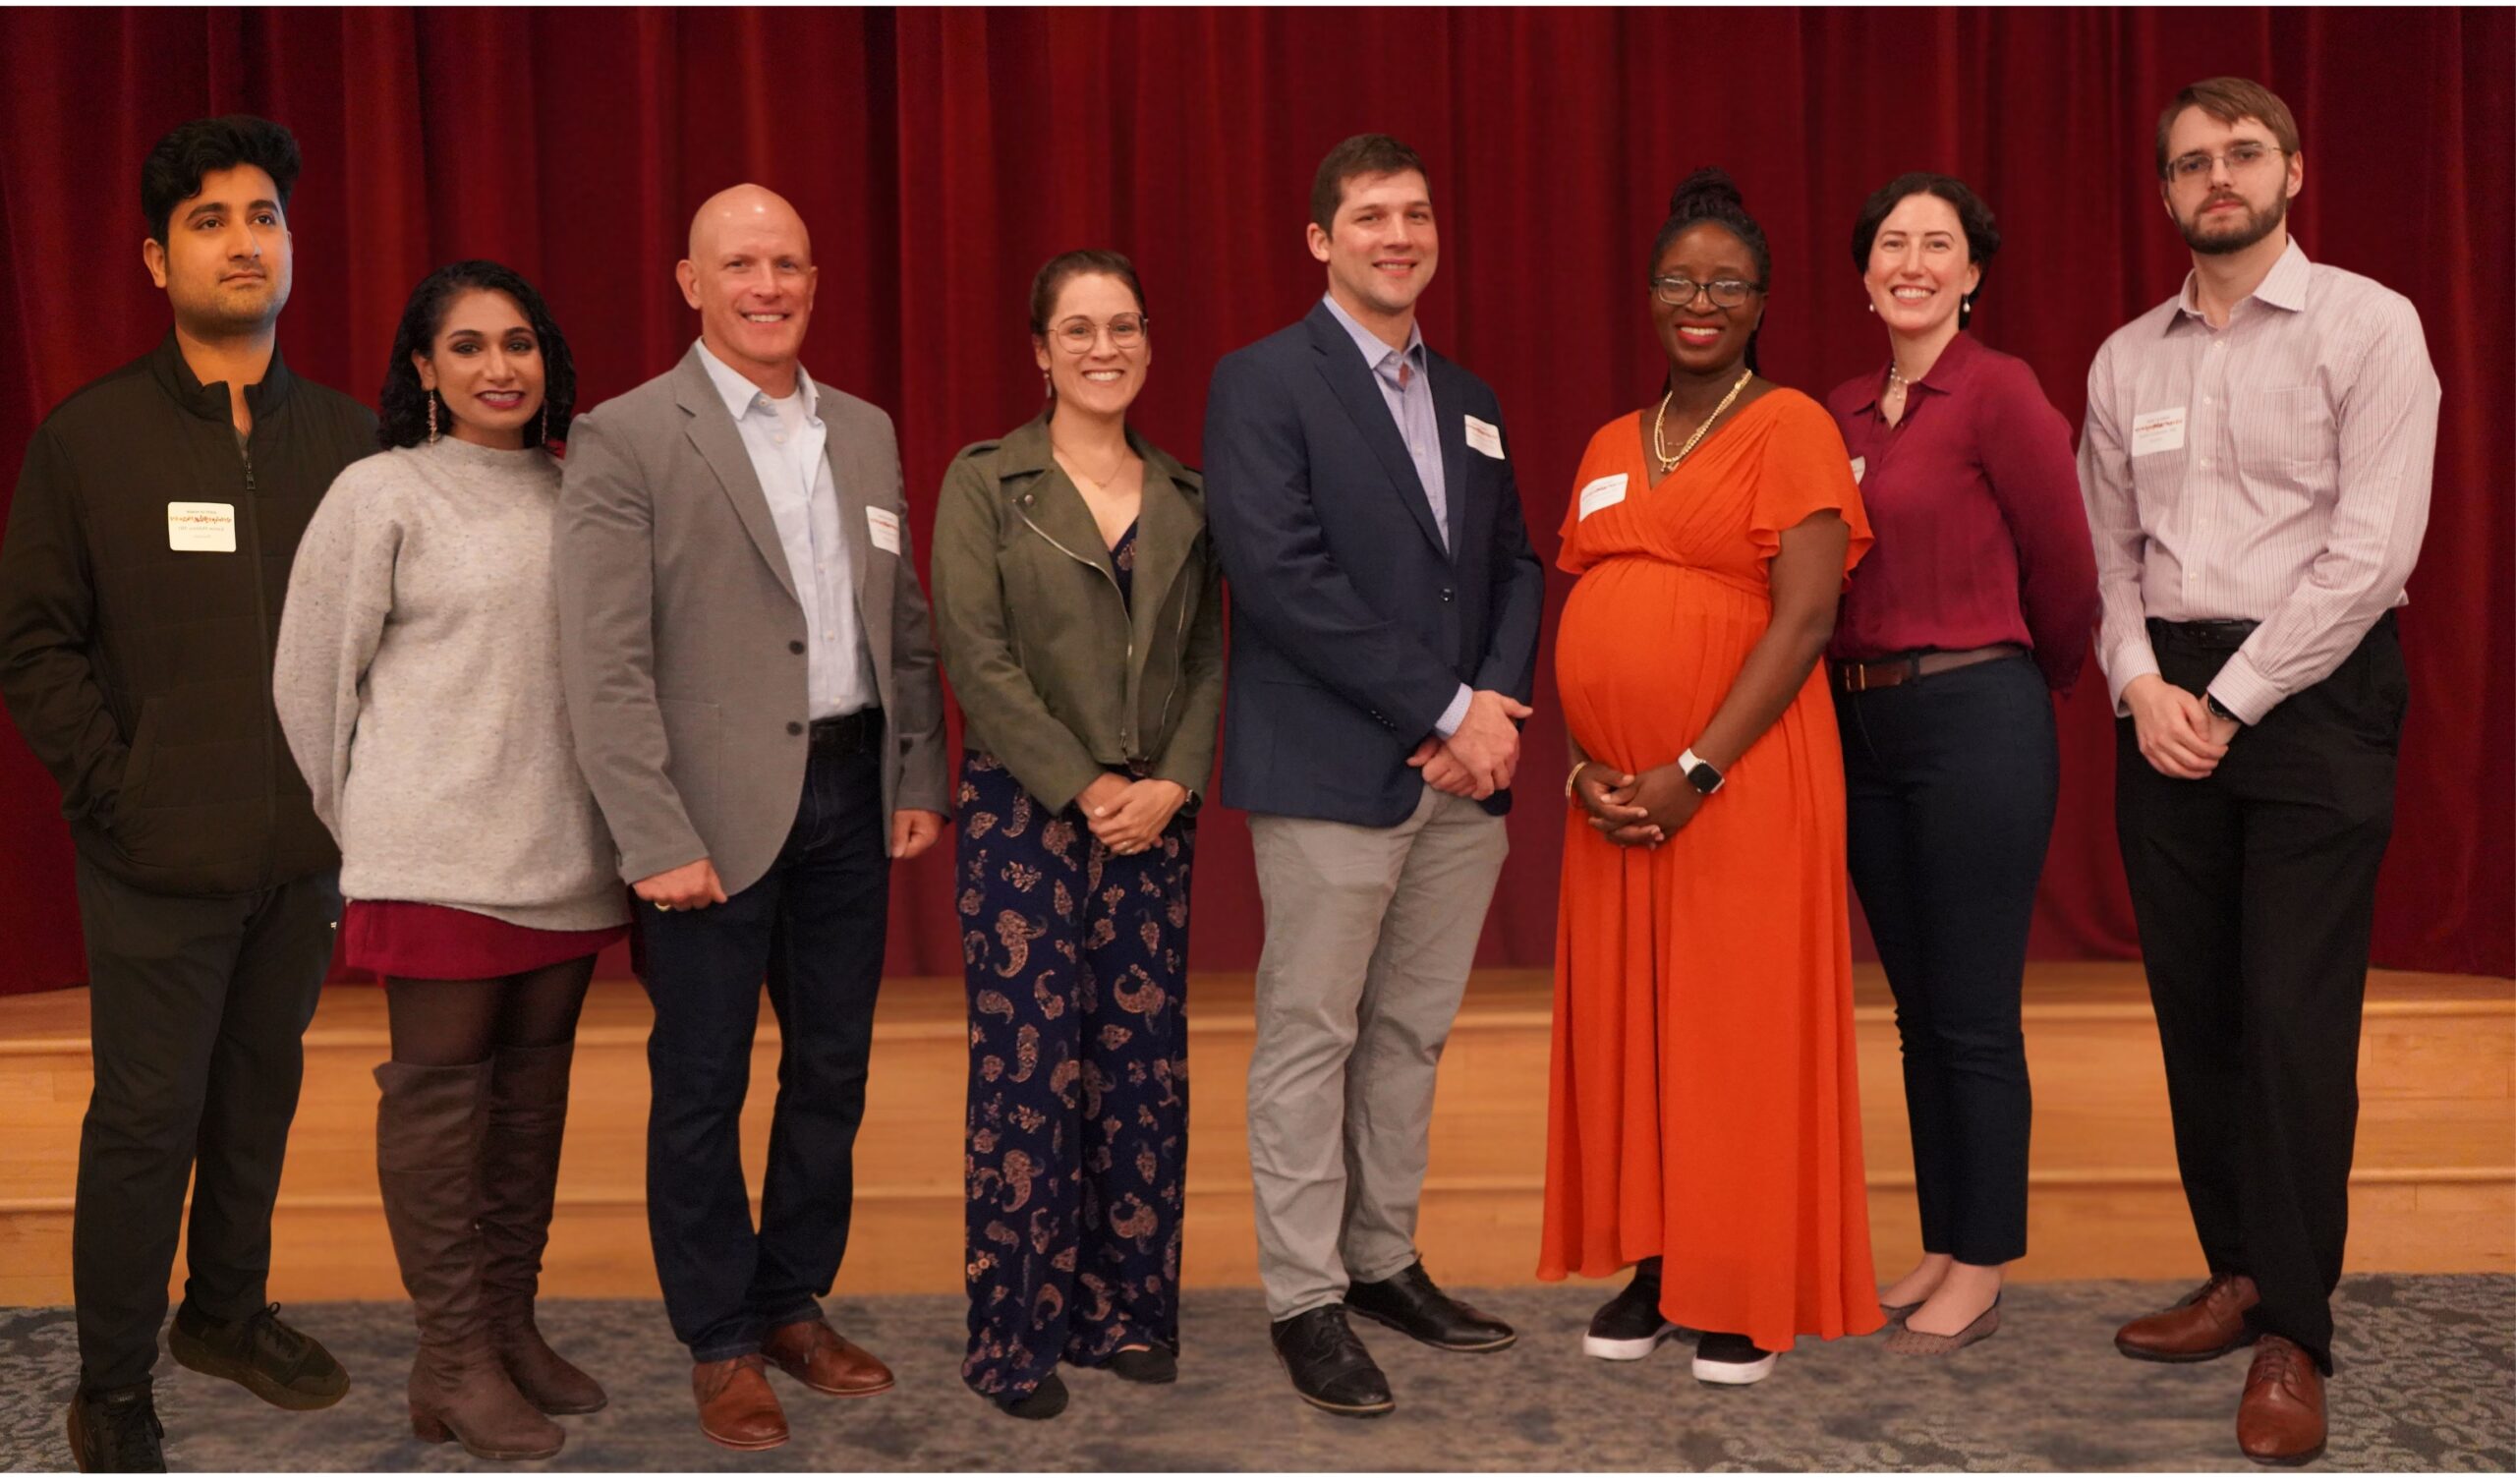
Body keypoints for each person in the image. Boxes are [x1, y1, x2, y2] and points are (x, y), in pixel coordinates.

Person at [0, 115, 372, 1471]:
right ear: (158, 260)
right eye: (209, 220)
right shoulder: (88, 438)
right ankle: (110, 1381)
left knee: (257, 1099)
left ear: (291, 244)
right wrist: (118, 787)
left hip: (302, 858)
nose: (241, 239)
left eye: (262, 214)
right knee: (145, 1122)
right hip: (152, 855)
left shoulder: (349, 439)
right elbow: (32, 641)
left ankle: (225, 1314)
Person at [554, 184, 951, 1452]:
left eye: (787, 262)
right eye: (740, 265)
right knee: (703, 1081)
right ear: (691, 282)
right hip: (704, 815)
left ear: (815, 278)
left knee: (832, 1067)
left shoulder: (871, 431)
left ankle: (790, 1301)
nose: (765, 285)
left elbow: (900, 620)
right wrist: (650, 830)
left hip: (849, 786)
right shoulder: (626, 435)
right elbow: (601, 660)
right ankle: (719, 1339)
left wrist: (914, 773)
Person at [2081, 77, 2436, 1466]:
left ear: (2291, 168)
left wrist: (2226, 698)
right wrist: (2136, 683)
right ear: (2166, 193)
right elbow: (2108, 554)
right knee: (2202, 1005)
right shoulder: (2126, 359)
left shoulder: (2370, 324)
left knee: (2291, 1015)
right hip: (2165, 696)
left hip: (2316, 695)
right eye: (2189, 165)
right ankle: (2235, 1267)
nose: (2214, 180)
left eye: (2239, 155)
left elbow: (2375, 552)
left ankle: (2295, 1326)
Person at [1202, 133, 1544, 1419]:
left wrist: (1494, 712)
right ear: (1319, 239)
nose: (1395, 235)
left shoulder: (1470, 393)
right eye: (1368, 216)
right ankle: (1304, 1296)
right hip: (1336, 769)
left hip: (1462, 781)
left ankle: (1383, 1257)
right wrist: (1449, 705)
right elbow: (1281, 578)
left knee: (1409, 1031)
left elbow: (1514, 564)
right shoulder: (1261, 381)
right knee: (1312, 1032)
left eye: (1413, 213)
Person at [272, 260, 624, 1460]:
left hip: (568, 854)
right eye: (466, 346)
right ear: (423, 368)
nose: (498, 368)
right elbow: (308, 683)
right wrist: (373, 827)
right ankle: (453, 1359)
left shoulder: (585, 493)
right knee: (440, 1108)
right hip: (434, 860)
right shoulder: (382, 493)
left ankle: (507, 1330)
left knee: (529, 1107)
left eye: (518, 343)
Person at [1538, 168, 1883, 1388]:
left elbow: (1802, 620)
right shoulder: (1605, 444)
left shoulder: (1789, 425)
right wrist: (1586, 768)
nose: (1700, 300)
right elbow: (1586, 620)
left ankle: (1741, 1284)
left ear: (1760, 302)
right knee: (1641, 1024)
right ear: (1648, 296)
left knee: (1733, 1023)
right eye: (1680, 279)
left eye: (1725, 283)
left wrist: (1692, 765)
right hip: (1616, 795)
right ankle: (1659, 1263)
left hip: (1738, 777)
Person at [928, 250, 1224, 1420]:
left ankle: (1127, 1313)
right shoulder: (985, 483)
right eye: (1079, 329)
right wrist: (1080, 781)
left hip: (1154, 819)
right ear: (1039, 351)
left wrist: (1174, 783)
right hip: (1025, 817)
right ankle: (1013, 1338)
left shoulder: (1188, 497)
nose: (1106, 347)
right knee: (1028, 1080)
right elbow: (975, 652)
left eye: (1126, 325)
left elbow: (1206, 657)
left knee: (1140, 1075)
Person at [1823, 174, 2099, 1355]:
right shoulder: (1833, 411)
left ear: (1973, 272)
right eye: (1893, 242)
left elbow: (2068, 567)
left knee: (1976, 1011)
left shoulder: (1999, 393)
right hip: (1860, 727)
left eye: (1939, 244)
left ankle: (1981, 1262)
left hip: (1975, 714)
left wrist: (2015, 680)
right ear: (1864, 272)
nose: (1915, 262)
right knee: (1915, 1011)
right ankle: (1943, 1237)